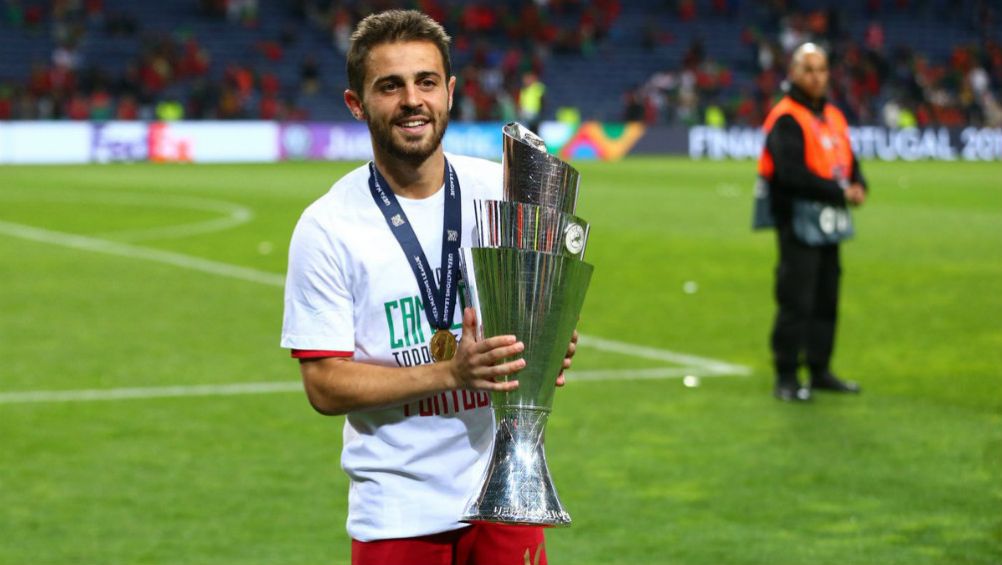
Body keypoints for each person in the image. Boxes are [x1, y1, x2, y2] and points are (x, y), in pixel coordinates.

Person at [280, 10, 575, 564]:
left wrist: (546, 343)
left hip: (508, 494)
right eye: (389, 86)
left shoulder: (500, 190)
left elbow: (535, 317)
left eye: (426, 82)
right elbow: (323, 384)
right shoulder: (327, 226)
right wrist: (451, 372)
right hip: (400, 512)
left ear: (450, 92)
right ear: (356, 103)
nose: (412, 100)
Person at [757, 43, 868, 402]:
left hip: (829, 221)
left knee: (826, 297)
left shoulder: (833, 116)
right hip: (797, 220)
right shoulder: (786, 116)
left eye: (821, 69)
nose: (816, 76)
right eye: (809, 69)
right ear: (793, 73)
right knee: (796, 299)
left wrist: (860, 185)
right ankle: (786, 376)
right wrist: (841, 192)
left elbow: (850, 162)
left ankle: (819, 370)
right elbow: (789, 174)